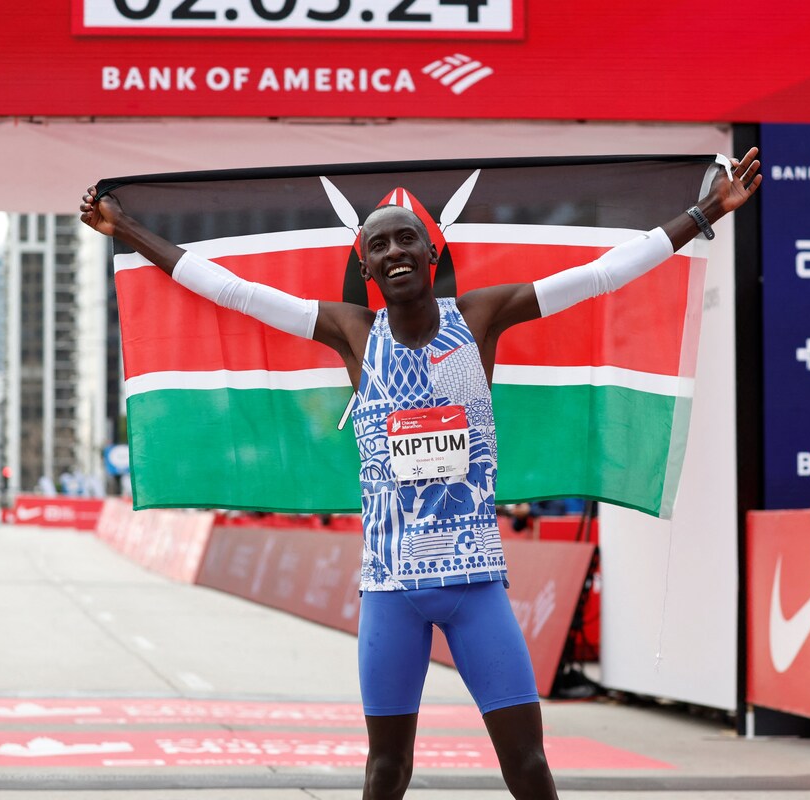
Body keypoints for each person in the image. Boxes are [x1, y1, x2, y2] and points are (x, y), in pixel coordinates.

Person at [80, 149, 761, 800]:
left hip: (475, 590)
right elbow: (233, 291)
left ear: (432, 253)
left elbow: (600, 274)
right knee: (385, 771)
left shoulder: (481, 318)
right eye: (379, 246)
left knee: (526, 764)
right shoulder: (353, 332)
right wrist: (128, 230)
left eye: (407, 239)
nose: (394, 251)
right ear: (366, 266)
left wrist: (705, 216)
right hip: (390, 592)